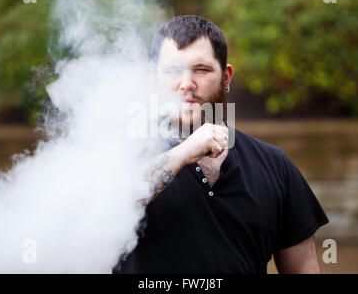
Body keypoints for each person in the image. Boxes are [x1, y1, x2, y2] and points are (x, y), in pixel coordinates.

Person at [113, 15, 329, 274]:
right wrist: (183, 153)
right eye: (172, 71)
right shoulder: (120, 156)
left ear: (226, 77)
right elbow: (103, 210)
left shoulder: (275, 165)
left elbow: (304, 268)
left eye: (201, 69)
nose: (186, 84)